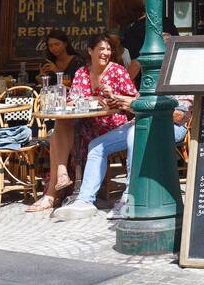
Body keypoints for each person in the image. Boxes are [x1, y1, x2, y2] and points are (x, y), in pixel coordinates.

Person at [28, 33, 136, 212]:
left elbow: (135, 100)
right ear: (90, 51)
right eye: (101, 49)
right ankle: (61, 175)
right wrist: (92, 97)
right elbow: (70, 102)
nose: (106, 53)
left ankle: (51, 194)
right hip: (86, 125)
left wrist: (114, 97)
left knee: (60, 135)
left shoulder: (117, 71)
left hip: (111, 125)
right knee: (61, 123)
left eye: (108, 49)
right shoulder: (82, 73)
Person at [56, 78, 190, 221]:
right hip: (139, 121)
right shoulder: (153, 76)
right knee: (96, 146)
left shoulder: (183, 78)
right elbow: (137, 100)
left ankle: (129, 197)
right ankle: (84, 200)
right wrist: (115, 97)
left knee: (135, 135)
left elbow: (179, 116)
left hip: (170, 126)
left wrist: (137, 106)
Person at [111, 0, 146, 81]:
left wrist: (123, 84)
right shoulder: (166, 22)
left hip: (146, 81)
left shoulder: (133, 31)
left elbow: (136, 63)